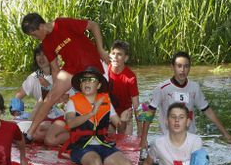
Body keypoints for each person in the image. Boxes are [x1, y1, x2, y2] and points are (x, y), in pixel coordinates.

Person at [21, 13, 110, 143]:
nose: (35, 38)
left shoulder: (61, 23)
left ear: (41, 26)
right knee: (50, 97)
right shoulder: (46, 43)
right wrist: (59, 91)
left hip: (90, 66)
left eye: (34, 34)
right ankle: (29, 134)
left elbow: (93, 25)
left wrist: (101, 50)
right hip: (71, 68)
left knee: (92, 102)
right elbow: (55, 68)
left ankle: (95, 130)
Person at [139, 51, 231, 158]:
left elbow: (207, 110)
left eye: (186, 66)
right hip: (169, 138)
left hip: (190, 138)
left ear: (189, 68)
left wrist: (224, 133)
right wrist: (144, 138)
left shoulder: (194, 87)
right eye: (179, 66)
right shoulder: (162, 88)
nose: (182, 70)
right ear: (172, 67)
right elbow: (150, 112)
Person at [64, 67, 136, 165]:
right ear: (80, 84)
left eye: (91, 80)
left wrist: (123, 121)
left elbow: (120, 128)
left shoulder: (106, 100)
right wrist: (91, 113)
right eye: (84, 80)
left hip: (103, 145)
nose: (87, 82)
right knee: (95, 162)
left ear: (98, 85)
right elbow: (70, 124)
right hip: (81, 146)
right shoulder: (72, 102)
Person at [11, 43, 68, 146]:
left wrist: (48, 87)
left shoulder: (63, 75)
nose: (41, 58)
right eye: (38, 54)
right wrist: (15, 111)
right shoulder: (33, 77)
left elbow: (64, 100)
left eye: (44, 54)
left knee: (42, 100)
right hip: (41, 118)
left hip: (62, 117)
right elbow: (18, 96)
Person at [107, 40, 141, 135]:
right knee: (109, 138)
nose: (115, 57)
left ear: (125, 58)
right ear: (109, 55)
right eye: (113, 53)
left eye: (119, 54)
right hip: (108, 113)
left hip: (125, 115)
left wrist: (140, 131)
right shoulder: (105, 71)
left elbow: (136, 106)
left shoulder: (130, 77)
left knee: (126, 142)